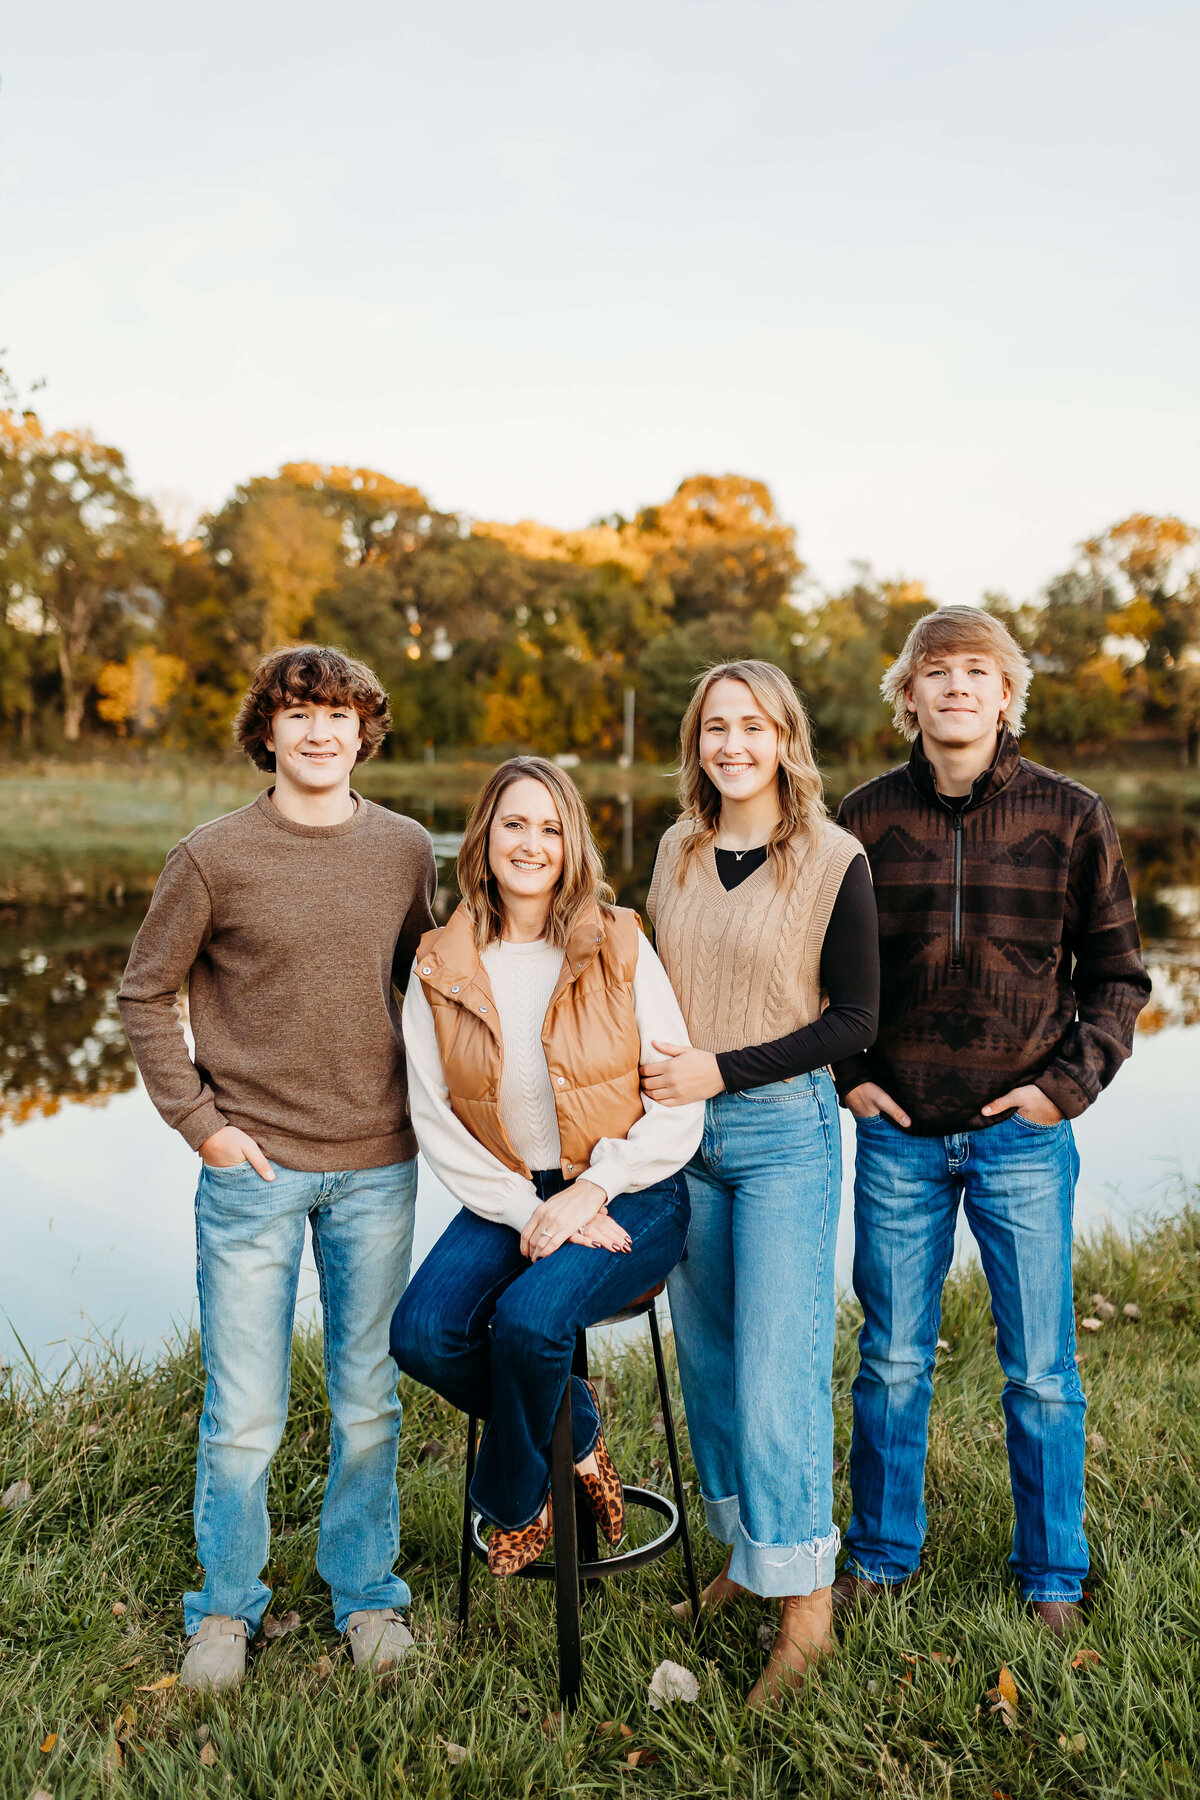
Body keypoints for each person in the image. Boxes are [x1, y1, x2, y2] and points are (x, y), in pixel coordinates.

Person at [118, 645, 436, 1690]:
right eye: (297, 713)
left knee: (367, 1400)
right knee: (245, 1407)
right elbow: (142, 995)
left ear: (363, 731)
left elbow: (434, 988)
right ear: (267, 730)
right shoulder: (212, 856)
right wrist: (200, 1123)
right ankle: (224, 1607)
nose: (318, 731)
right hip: (251, 1167)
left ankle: (366, 1594)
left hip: (380, 1166)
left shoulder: (404, 851)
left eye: (338, 713)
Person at [832, 606, 1151, 1634]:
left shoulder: (1073, 815)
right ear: (910, 696)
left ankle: (1054, 1576)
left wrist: (1062, 1090)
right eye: (938, 672)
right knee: (889, 1359)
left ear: (1007, 694)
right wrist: (848, 1073)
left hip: (1022, 1130)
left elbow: (1117, 977)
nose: (958, 687)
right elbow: (817, 970)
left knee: (1044, 1371)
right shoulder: (862, 819)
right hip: (898, 1133)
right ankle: (881, 1558)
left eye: (978, 671)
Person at [390, 757, 703, 1575]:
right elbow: (435, 1117)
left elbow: (678, 1103)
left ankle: (514, 1504)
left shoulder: (622, 940)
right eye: (514, 825)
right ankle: (583, 1440)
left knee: (530, 1323)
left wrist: (592, 1187)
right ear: (485, 838)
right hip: (509, 1193)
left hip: (636, 1188)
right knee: (423, 1334)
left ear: (572, 845)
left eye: (550, 828)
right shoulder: (439, 962)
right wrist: (532, 1210)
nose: (531, 844)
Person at [641, 659, 879, 1708]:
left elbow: (857, 1023)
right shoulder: (676, 850)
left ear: (787, 739)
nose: (733, 744)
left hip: (786, 1135)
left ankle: (808, 1609)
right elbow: (648, 989)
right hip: (682, 1138)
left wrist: (723, 1070)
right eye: (715, 727)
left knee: (779, 1376)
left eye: (753, 726)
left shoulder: (834, 859)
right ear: (698, 742)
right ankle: (749, 1557)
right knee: (713, 1365)